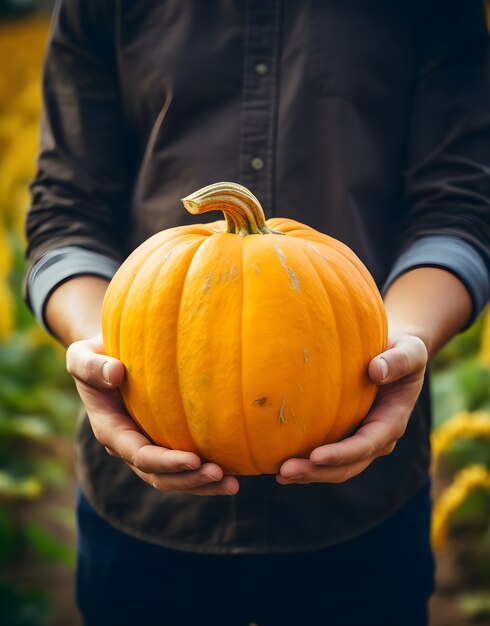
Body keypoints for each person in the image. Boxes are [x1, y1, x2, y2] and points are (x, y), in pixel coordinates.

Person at [25, 1, 490, 625]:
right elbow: (64, 212)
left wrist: (402, 340)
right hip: (142, 510)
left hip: (363, 507)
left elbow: (459, 205)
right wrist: (104, 346)